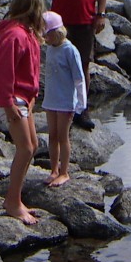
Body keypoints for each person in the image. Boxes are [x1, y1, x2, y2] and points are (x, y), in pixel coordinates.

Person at [0, 0, 47, 225]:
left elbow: (30, 72)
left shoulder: (28, 34)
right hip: (10, 97)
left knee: (31, 146)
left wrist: (31, 98)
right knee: (24, 148)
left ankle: (16, 199)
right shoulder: (14, 35)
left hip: (22, 97)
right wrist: (8, 103)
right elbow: (2, 72)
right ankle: (12, 201)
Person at [44, 0, 107, 130]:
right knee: (60, 64)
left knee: (83, 65)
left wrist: (101, 14)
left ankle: (82, 109)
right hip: (60, 23)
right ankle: (63, 108)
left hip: (85, 19)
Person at [41, 11, 87, 187]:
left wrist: (81, 102)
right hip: (51, 98)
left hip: (65, 100)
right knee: (52, 136)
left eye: (47, 34)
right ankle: (54, 169)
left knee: (63, 136)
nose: (45, 38)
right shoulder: (51, 49)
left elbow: (79, 77)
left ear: (56, 32)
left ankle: (64, 172)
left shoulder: (70, 50)